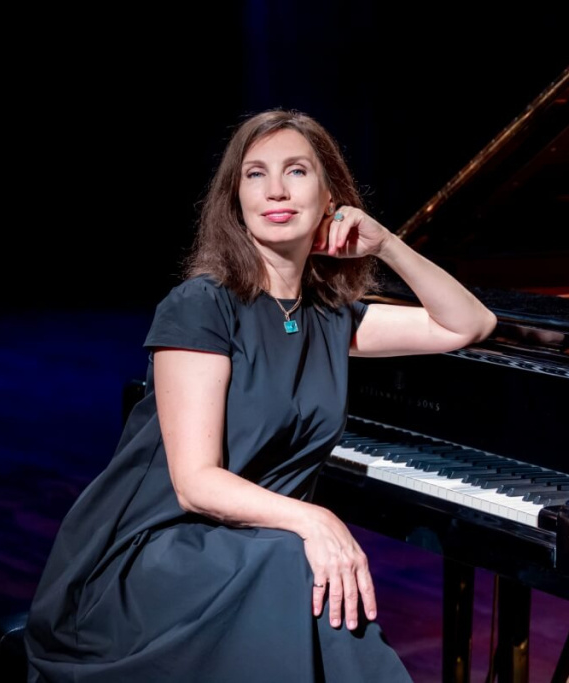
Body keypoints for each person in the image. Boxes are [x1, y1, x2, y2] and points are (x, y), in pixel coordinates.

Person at [24, 108, 497, 682]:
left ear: (329, 197)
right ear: (236, 198)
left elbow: (469, 324)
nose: (275, 190)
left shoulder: (330, 316)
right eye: (255, 174)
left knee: (299, 572)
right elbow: (195, 484)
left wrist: (387, 245)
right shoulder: (201, 306)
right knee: (302, 568)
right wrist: (315, 520)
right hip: (153, 557)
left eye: (296, 171)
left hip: (261, 549)